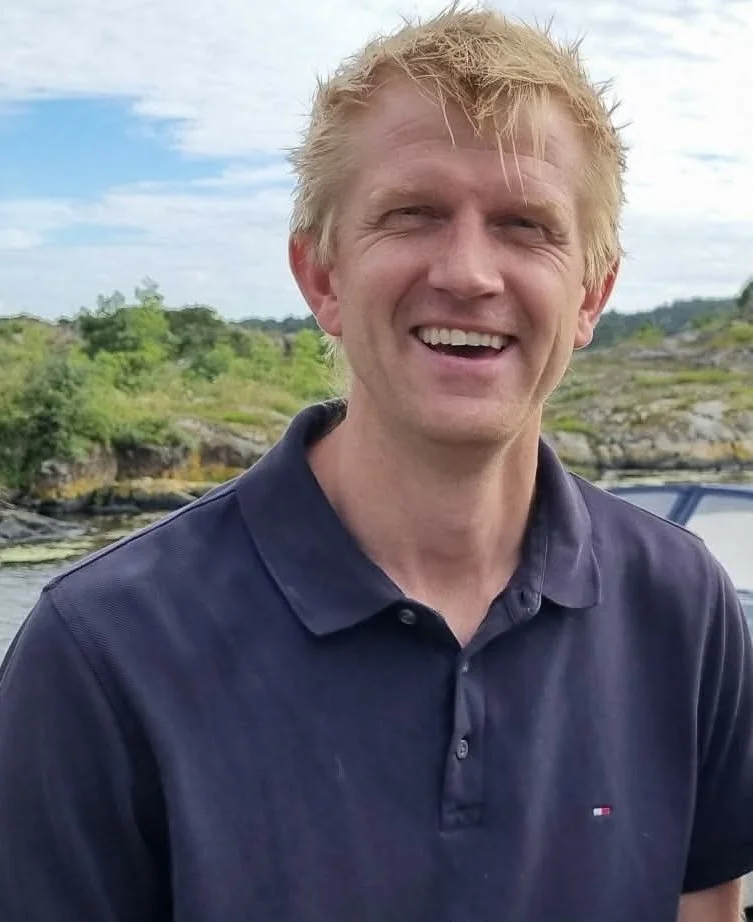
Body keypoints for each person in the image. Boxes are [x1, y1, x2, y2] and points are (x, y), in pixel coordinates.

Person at [1, 8, 752, 922]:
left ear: (592, 293)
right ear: (322, 276)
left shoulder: (681, 607)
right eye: (412, 214)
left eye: (525, 225)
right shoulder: (101, 653)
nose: (469, 273)